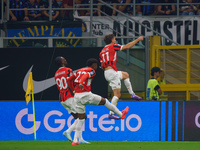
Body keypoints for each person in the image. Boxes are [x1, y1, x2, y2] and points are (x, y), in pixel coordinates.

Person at [67, 58, 129, 145]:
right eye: (96, 64)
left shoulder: (79, 70)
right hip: (86, 95)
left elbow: (69, 80)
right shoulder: (92, 70)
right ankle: (121, 114)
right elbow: (86, 76)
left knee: (80, 119)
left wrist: (73, 90)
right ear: (93, 65)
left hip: (77, 96)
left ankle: (75, 141)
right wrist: (81, 82)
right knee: (105, 101)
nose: (96, 66)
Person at [99, 34, 143, 119]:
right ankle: (111, 113)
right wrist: (137, 40)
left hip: (107, 73)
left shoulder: (102, 51)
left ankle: (132, 94)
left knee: (125, 75)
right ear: (112, 40)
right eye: (114, 38)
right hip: (112, 73)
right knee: (117, 95)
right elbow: (127, 46)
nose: (115, 40)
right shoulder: (113, 46)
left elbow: (101, 65)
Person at [54, 56, 89, 144]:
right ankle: (68, 132)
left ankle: (80, 139)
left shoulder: (56, 74)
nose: (65, 59)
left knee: (77, 118)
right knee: (83, 117)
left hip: (62, 98)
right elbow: (70, 81)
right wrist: (74, 92)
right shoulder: (68, 70)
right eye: (63, 59)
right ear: (61, 62)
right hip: (69, 96)